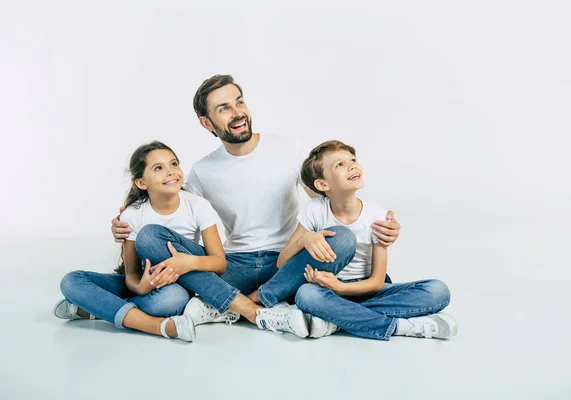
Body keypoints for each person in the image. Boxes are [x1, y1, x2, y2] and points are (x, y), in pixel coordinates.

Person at [111, 75, 402, 337]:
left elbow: (329, 201)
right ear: (206, 123)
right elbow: (171, 211)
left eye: (239, 102)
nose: (237, 113)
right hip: (234, 265)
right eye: (224, 108)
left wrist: (374, 227)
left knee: (343, 238)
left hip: (288, 263)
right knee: (151, 237)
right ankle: (254, 306)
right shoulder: (202, 170)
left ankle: (236, 303)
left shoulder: (290, 148)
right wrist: (130, 220)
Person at [273, 140, 457, 340]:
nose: (352, 165)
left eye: (352, 160)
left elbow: (377, 282)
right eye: (340, 165)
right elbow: (282, 262)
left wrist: (341, 287)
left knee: (438, 291)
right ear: (322, 184)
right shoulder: (315, 210)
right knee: (306, 295)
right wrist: (304, 240)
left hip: (364, 289)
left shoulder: (378, 217)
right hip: (326, 292)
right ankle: (398, 327)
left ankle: (335, 318)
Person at [53, 141, 230, 342]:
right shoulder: (133, 215)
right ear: (141, 183)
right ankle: (157, 326)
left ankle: (95, 308)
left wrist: (187, 263)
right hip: (146, 284)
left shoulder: (198, 206)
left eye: (174, 164)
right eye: (158, 168)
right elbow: (132, 275)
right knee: (71, 281)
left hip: (179, 284)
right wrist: (141, 287)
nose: (171, 172)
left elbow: (220, 263)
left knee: (173, 300)